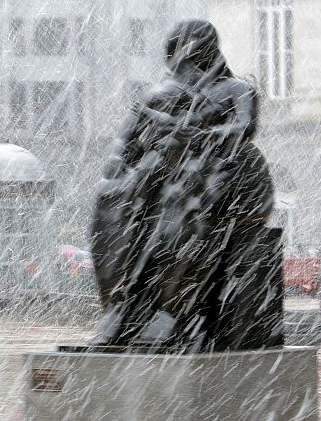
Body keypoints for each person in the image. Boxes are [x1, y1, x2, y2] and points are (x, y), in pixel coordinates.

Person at [90, 19, 278, 351]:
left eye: (188, 54)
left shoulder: (236, 90)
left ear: (208, 52)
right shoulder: (158, 94)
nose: (180, 62)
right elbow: (125, 142)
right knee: (109, 197)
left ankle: (172, 308)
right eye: (176, 54)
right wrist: (121, 165)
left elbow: (243, 129)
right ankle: (119, 303)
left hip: (218, 174)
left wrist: (197, 136)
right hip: (158, 173)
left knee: (183, 196)